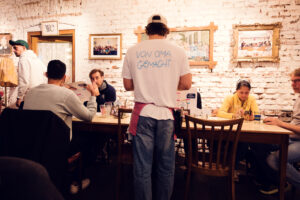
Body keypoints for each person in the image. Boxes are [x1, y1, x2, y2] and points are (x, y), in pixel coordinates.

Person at [122, 14, 192, 200]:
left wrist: (146, 83)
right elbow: (186, 84)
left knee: (142, 168)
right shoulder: (178, 51)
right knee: (166, 167)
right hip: (167, 116)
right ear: (166, 30)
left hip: (143, 114)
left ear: (147, 30)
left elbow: (128, 86)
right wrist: (167, 85)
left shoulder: (133, 51)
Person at [23, 59, 97, 139]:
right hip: (56, 145)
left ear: (46, 74)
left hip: (30, 143)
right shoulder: (66, 94)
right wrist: (93, 94)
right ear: (64, 77)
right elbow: (89, 116)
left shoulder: (30, 93)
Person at [259, 68, 300, 193]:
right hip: (293, 138)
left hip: (298, 141)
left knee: (274, 159)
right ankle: (273, 181)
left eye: (297, 81)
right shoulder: (298, 98)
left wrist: (280, 123)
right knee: (261, 144)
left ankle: (292, 182)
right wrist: (277, 125)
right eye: (292, 81)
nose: (293, 84)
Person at [9, 39, 46, 107]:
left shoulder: (23, 59)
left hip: (29, 95)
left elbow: (24, 81)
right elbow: (45, 75)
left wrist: (19, 97)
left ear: (23, 47)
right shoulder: (37, 60)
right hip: (40, 95)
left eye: (15, 48)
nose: (13, 50)